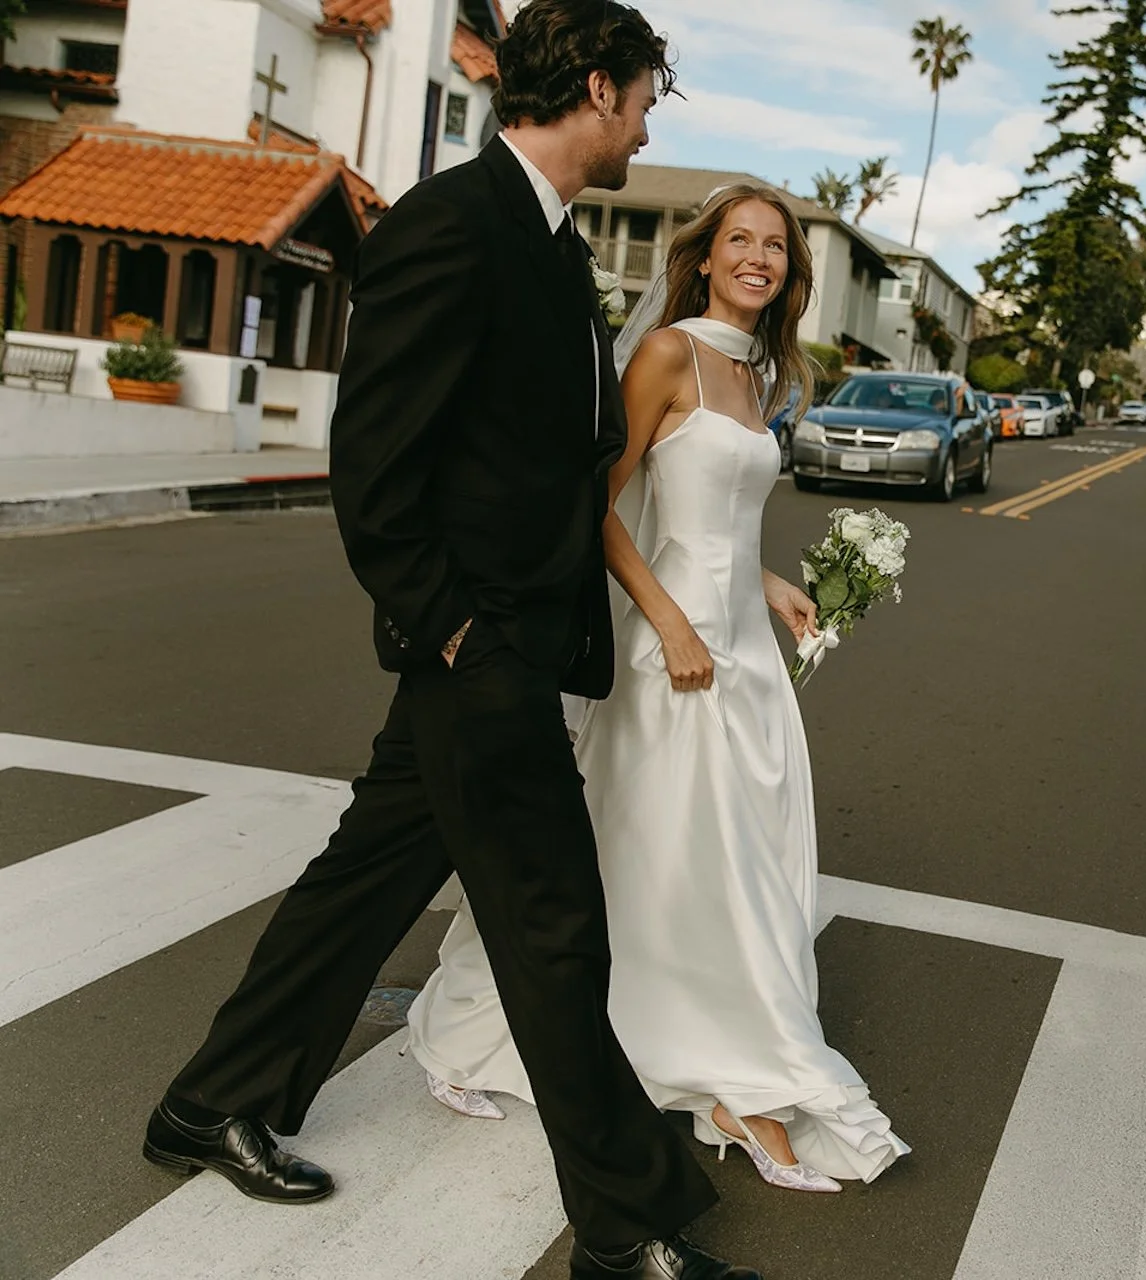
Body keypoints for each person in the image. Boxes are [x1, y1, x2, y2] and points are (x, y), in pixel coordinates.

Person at [139, 4, 758, 1277]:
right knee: (554, 924)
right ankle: (628, 1226)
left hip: (506, 638)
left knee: (364, 878)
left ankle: (213, 1098)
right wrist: (456, 626)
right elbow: (372, 463)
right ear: (596, 86)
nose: (647, 122)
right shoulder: (451, 223)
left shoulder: (541, 235)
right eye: (644, 99)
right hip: (483, 648)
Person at [406, 184, 909, 1195]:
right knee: (661, 855)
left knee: (724, 861)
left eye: (775, 246)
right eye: (742, 240)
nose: (758, 257)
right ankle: (709, 1078)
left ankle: (732, 1069)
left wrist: (766, 586)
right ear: (707, 254)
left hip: (744, 654)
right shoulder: (669, 353)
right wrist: (674, 623)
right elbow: (601, 503)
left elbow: (710, 513)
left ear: (789, 274)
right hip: (669, 651)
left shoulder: (763, 371)